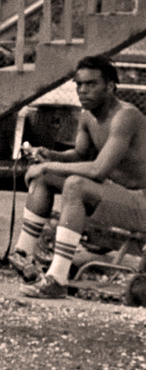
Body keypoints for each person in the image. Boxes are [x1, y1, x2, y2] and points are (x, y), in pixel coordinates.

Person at [10, 57, 146, 298]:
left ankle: (57, 280)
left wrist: (47, 165)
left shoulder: (126, 116)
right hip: (118, 194)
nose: (83, 91)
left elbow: (97, 171)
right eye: (79, 84)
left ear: (111, 86)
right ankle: (22, 257)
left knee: (75, 184)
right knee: (47, 178)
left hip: (140, 201)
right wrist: (49, 156)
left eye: (91, 84)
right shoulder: (87, 115)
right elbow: (80, 154)